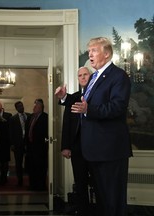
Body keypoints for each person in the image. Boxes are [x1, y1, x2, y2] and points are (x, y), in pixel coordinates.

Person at [56, 37, 132, 216]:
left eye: (94, 51)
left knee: (113, 200)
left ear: (106, 54)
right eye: (89, 51)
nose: (89, 54)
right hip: (94, 151)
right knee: (102, 201)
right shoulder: (95, 77)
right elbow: (82, 103)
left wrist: (89, 109)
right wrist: (65, 98)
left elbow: (117, 107)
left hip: (110, 151)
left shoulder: (118, 76)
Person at [55, 66, 92, 216]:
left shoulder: (98, 95)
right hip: (78, 149)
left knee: (99, 184)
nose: (82, 77)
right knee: (81, 184)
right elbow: (67, 124)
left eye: (85, 75)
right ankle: (83, 211)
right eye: (80, 76)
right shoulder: (74, 97)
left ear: (92, 76)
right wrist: (65, 146)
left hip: (97, 148)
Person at [25, 98, 48, 191]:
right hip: (31, 147)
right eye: (34, 105)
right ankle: (32, 185)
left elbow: (46, 132)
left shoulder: (45, 117)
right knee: (32, 167)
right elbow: (27, 131)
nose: (34, 107)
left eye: (37, 105)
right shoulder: (31, 117)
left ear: (41, 107)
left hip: (40, 148)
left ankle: (41, 186)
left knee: (40, 167)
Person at [9, 101, 30, 186]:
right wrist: (12, 144)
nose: (21, 107)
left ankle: (30, 179)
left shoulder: (29, 116)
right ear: (16, 108)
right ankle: (20, 180)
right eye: (19, 106)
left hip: (28, 143)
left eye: (22, 105)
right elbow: (11, 132)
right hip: (18, 144)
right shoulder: (13, 119)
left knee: (29, 161)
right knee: (18, 163)